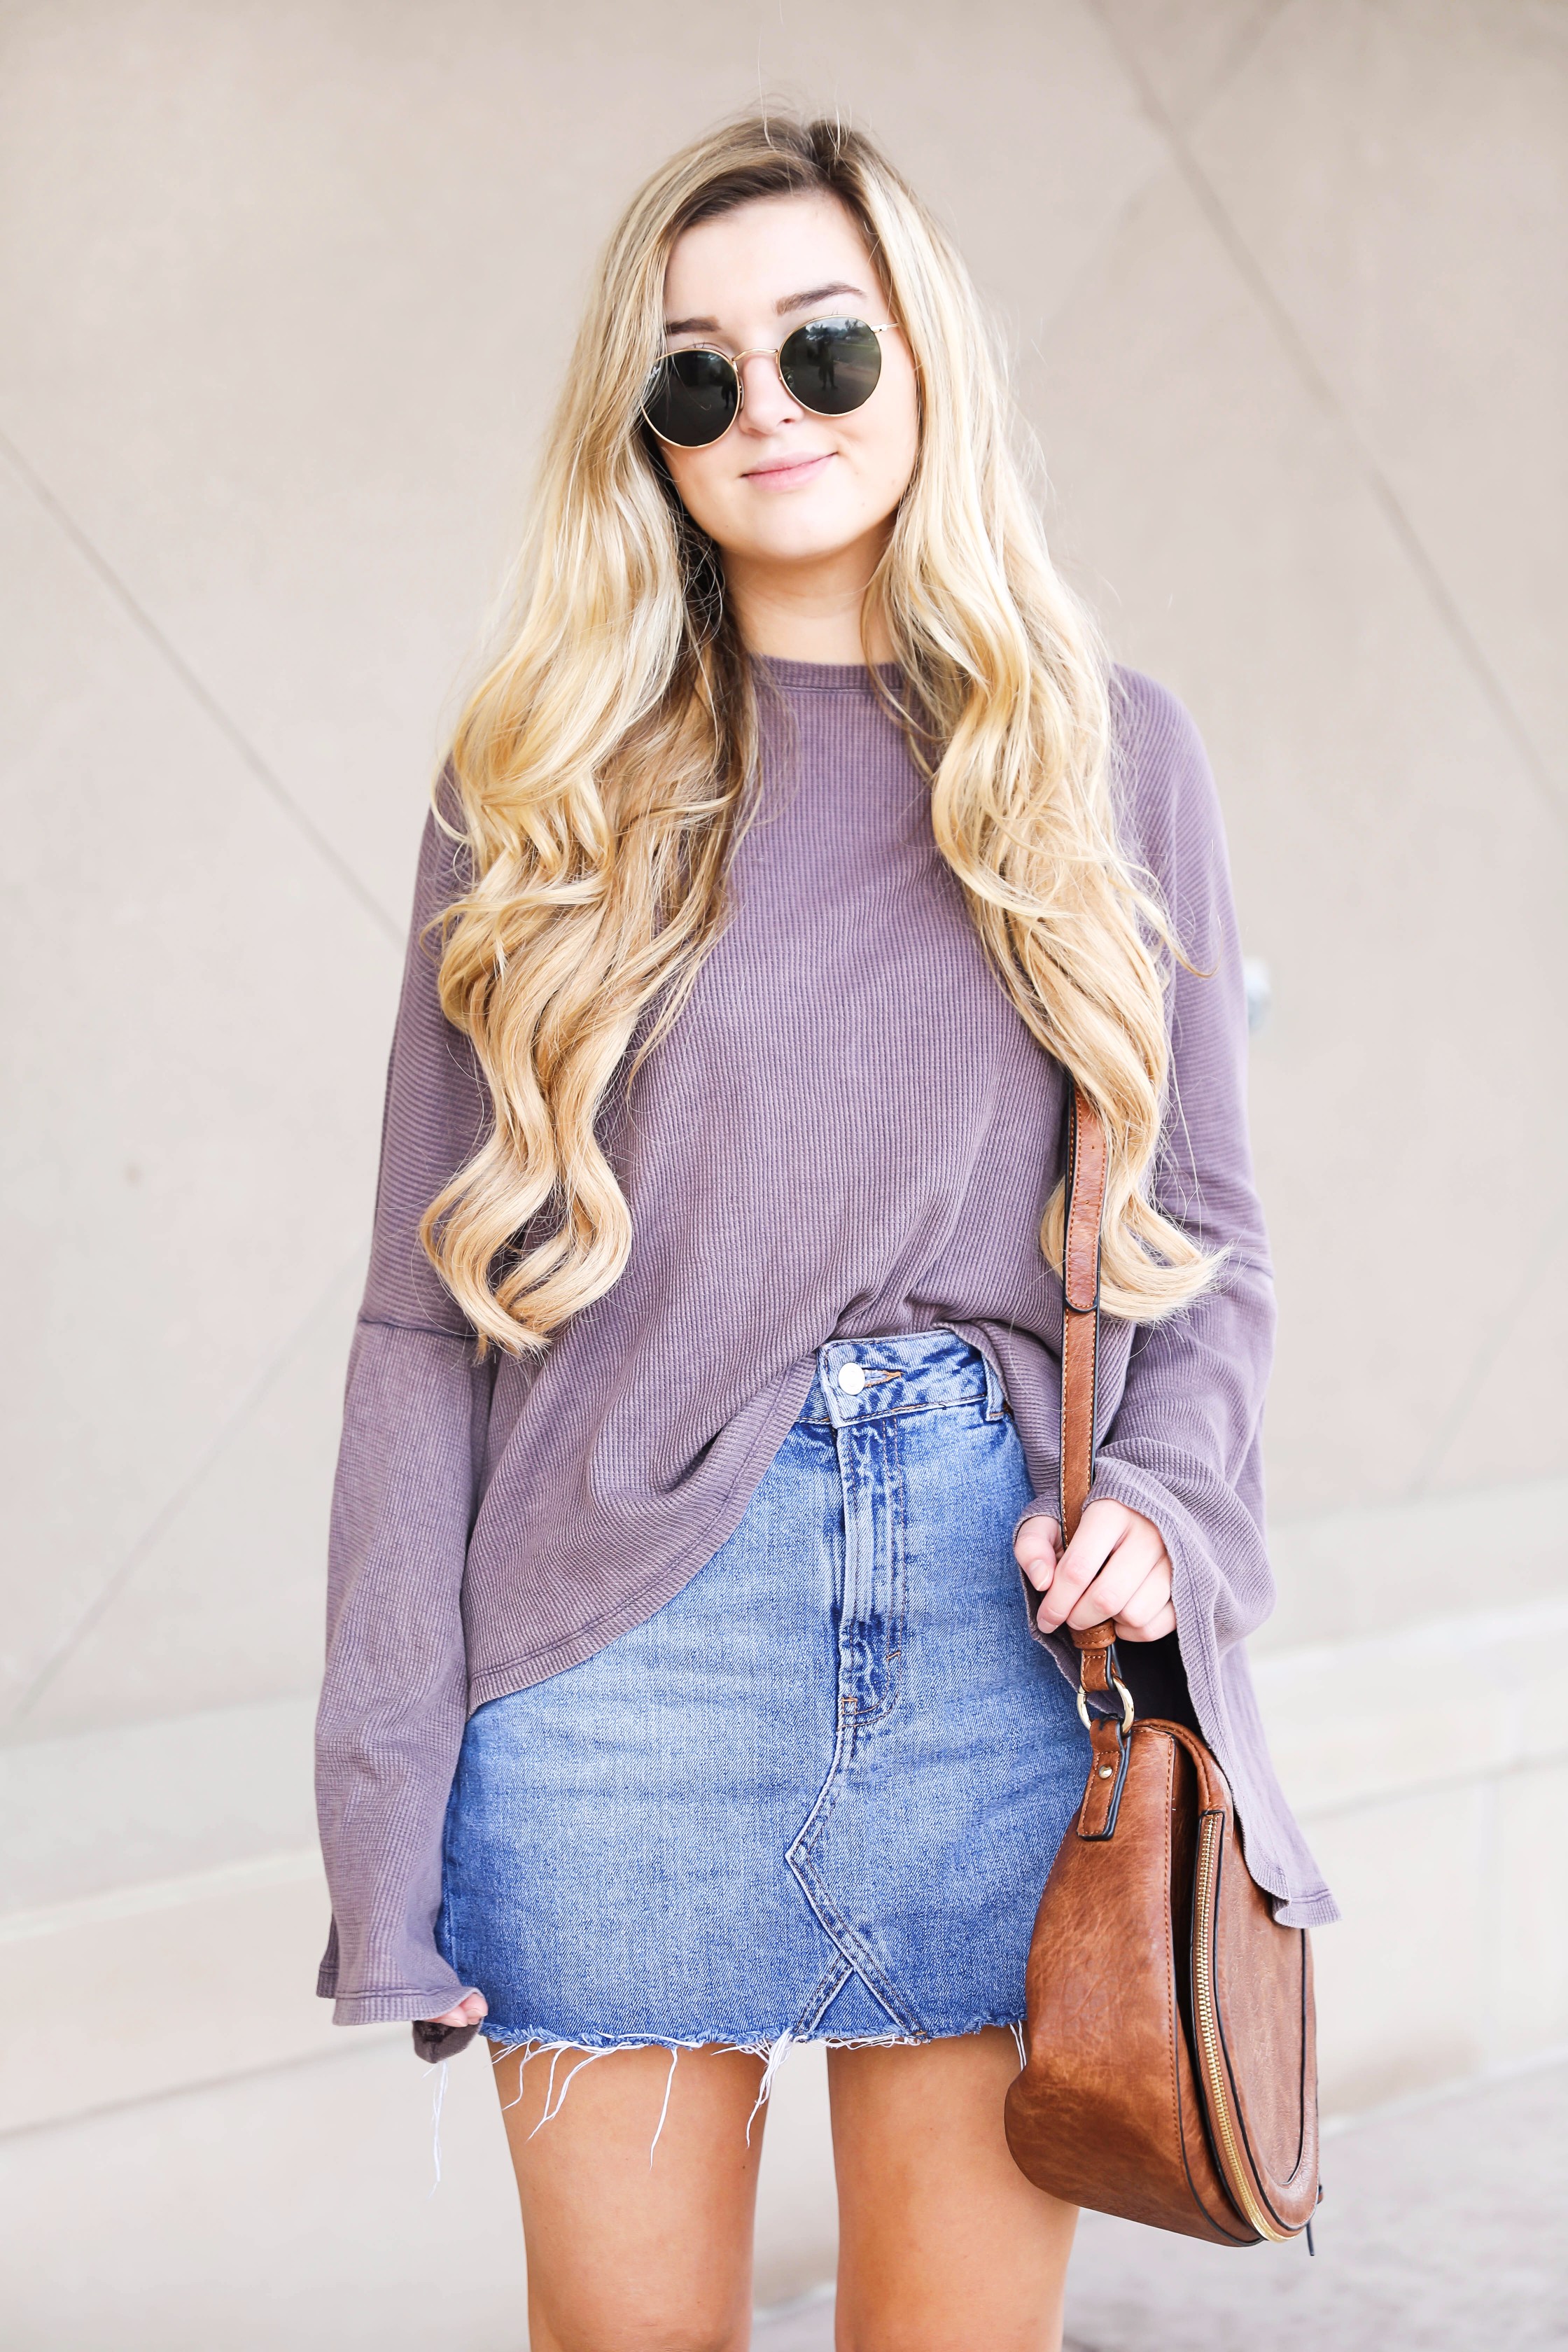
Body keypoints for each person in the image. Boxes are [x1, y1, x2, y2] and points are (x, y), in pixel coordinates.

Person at [314, 111, 1333, 2352]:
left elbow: (1212, 1236)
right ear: (647, 433)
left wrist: (1164, 1509)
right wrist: (381, 1821)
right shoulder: (542, 791)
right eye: (697, 373)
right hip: (609, 1665)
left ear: (924, 364)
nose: (763, 407)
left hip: (998, 1655)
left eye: (821, 347)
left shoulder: (1104, 756)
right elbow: (419, 1322)